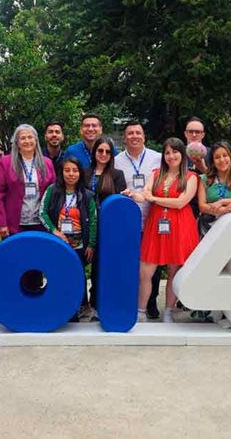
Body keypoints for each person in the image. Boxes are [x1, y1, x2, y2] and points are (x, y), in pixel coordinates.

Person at [131, 138, 200, 323]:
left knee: (174, 270)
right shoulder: (156, 174)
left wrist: (153, 199)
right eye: (167, 153)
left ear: (182, 154)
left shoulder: (192, 177)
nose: (171, 156)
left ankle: (169, 310)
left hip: (180, 225)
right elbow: (144, 194)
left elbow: (180, 203)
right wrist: (134, 195)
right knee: (145, 271)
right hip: (156, 225)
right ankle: (141, 311)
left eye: (175, 152)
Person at [113, 120, 164, 319]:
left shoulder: (157, 158)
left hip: (153, 218)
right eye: (130, 133)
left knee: (153, 263)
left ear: (144, 136)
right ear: (124, 138)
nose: (134, 136)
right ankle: (129, 300)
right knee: (129, 262)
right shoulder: (116, 161)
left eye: (138, 132)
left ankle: (151, 303)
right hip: (127, 221)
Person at [39, 156, 98, 320]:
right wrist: (54, 231)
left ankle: (78, 308)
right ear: (61, 172)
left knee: (78, 276)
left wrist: (91, 244)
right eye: (67, 170)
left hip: (79, 245)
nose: (71, 174)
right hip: (59, 244)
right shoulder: (53, 190)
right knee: (59, 275)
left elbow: (93, 220)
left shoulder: (87, 195)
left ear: (80, 173)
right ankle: (59, 306)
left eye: (75, 170)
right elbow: (42, 213)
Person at [84, 137, 126, 320]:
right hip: (86, 227)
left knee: (103, 268)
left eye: (107, 152)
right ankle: (87, 305)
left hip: (108, 230)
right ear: (94, 153)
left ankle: (102, 306)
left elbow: (120, 204)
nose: (103, 154)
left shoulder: (117, 175)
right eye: (100, 151)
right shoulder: (84, 173)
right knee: (87, 268)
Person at [0, 124, 56, 238]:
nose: (27, 141)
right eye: (23, 138)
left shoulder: (47, 163)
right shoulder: (6, 162)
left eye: (30, 137)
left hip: (41, 223)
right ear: (17, 143)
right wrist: (1, 223)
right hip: (15, 224)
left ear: (36, 140)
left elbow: (53, 193)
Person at [197, 142, 231, 237]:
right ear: (212, 161)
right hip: (209, 227)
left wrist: (222, 201)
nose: (222, 160)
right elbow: (202, 206)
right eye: (217, 157)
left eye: (225, 155)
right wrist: (223, 210)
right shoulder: (204, 179)